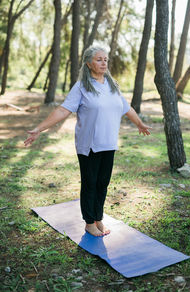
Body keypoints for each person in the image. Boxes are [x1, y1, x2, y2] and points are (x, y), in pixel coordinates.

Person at [24, 46, 151, 237]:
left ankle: (98, 218)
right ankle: (89, 222)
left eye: (106, 60)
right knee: (90, 183)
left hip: (109, 143)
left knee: (103, 183)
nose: (103, 63)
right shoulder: (82, 87)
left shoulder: (112, 85)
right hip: (89, 145)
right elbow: (63, 110)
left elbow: (126, 108)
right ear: (89, 63)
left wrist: (140, 123)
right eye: (99, 60)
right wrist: (39, 129)